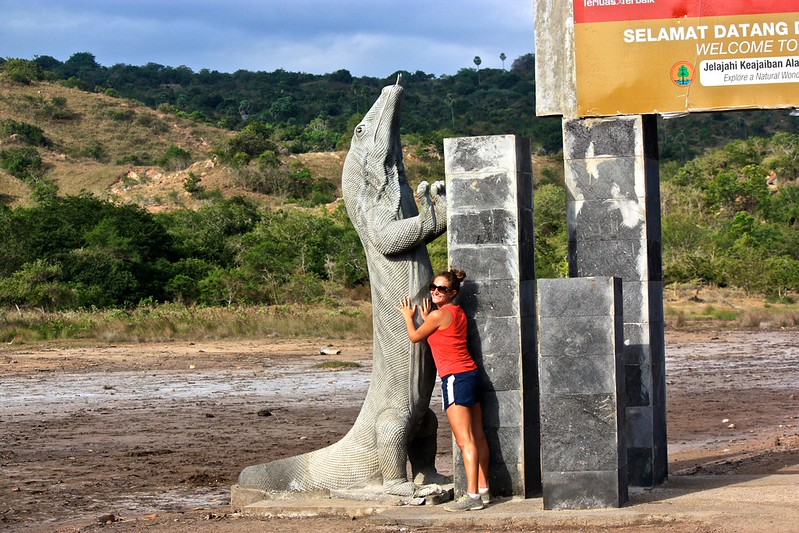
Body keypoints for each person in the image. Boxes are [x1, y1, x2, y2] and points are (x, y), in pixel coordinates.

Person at [397, 268, 490, 512]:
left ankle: (472, 497)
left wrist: (409, 316)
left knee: (465, 440)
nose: (436, 292)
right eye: (433, 287)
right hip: (470, 375)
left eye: (442, 289)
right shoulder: (456, 312)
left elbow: (416, 336)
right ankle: (483, 489)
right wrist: (430, 316)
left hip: (455, 379)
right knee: (478, 436)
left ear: (453, 293)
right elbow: (442, 332)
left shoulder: (439, 316)